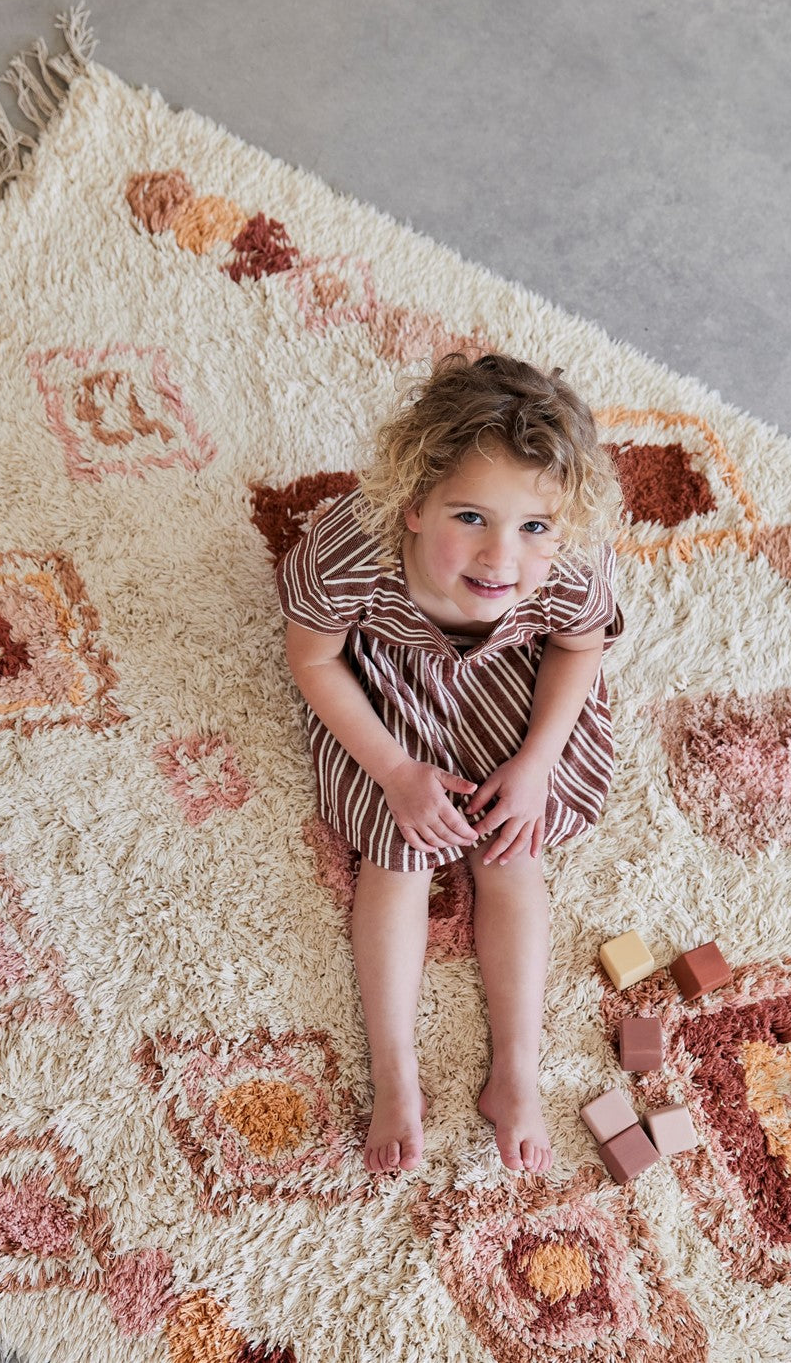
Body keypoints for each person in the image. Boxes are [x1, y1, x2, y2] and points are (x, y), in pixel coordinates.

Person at [277, 352, 625, 1176]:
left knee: (514, 848)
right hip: (391, 693)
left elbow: (580, 650)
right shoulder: (349, 550)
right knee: (394, 855)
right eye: (469, 516)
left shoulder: (567, 567)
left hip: (516, 688)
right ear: (410, 505)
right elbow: (314, 659)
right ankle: (395, 1072)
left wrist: (538, 761)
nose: (500, 557)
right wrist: (395, 770)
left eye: (532, 527)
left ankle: (515, 1072)